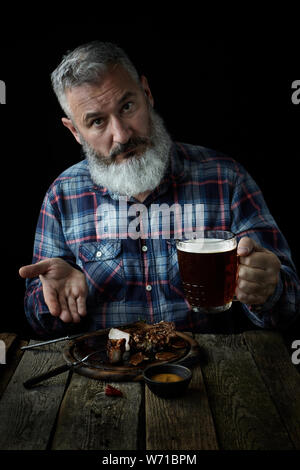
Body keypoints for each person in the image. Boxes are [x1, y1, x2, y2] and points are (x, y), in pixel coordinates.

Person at [19, 41, 300, 338]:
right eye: (97, 121)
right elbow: (39, 321)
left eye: (127, 107)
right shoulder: (62, 196)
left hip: (210, 375)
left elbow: (288, 308)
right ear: (75, 131)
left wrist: (270, 289)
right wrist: (54, 303)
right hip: (106, 378)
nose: (122, 134)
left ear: (147, 94)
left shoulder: (226, 179)